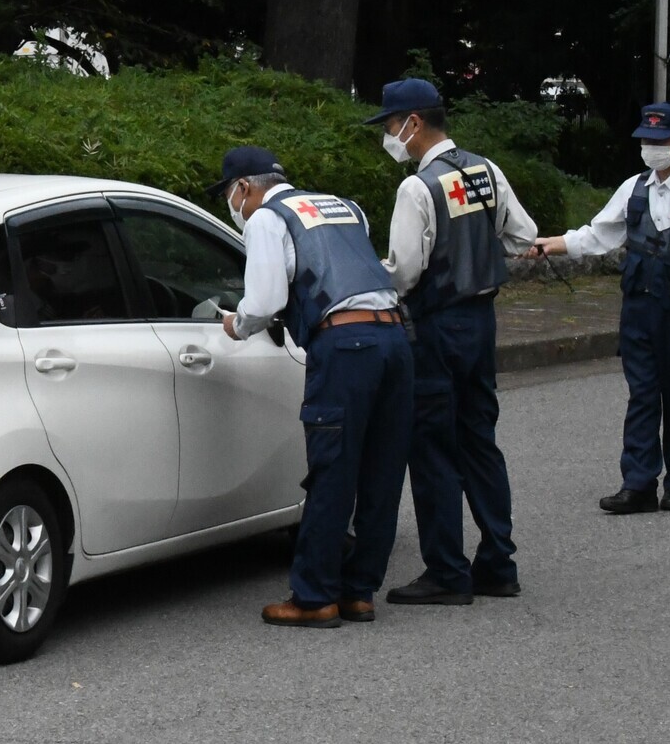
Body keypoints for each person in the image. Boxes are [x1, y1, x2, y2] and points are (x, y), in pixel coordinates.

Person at [207, 146, 414, 627]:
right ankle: (359, 592)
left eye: (229, 196)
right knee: (381, 470)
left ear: (244, 188)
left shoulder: (265, 218)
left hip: (345, 346)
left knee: (333, 470)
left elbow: (266, 299)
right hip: (395, 339)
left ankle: (314, 597)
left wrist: (235, 325)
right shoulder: (345, 206)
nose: (233, 207)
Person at [363, 78, 538, 606]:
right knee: (479, 439)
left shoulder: (417, 188)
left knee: (434, 448)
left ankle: (446, 571)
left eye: (391, 126)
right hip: (481, 321)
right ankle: (498, 564)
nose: (390, 135)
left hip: (434, 327)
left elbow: (403, 272)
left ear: (412, 123)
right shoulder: (483, 169)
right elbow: (523, 235)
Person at [527, 102, 670, 513]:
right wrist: (552, 243)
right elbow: (597, 235)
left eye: (659, 141)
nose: (651, 148)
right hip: (639, 311)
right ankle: (638, 484)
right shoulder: (634, 189)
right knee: (641, 395)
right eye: (646, 140)